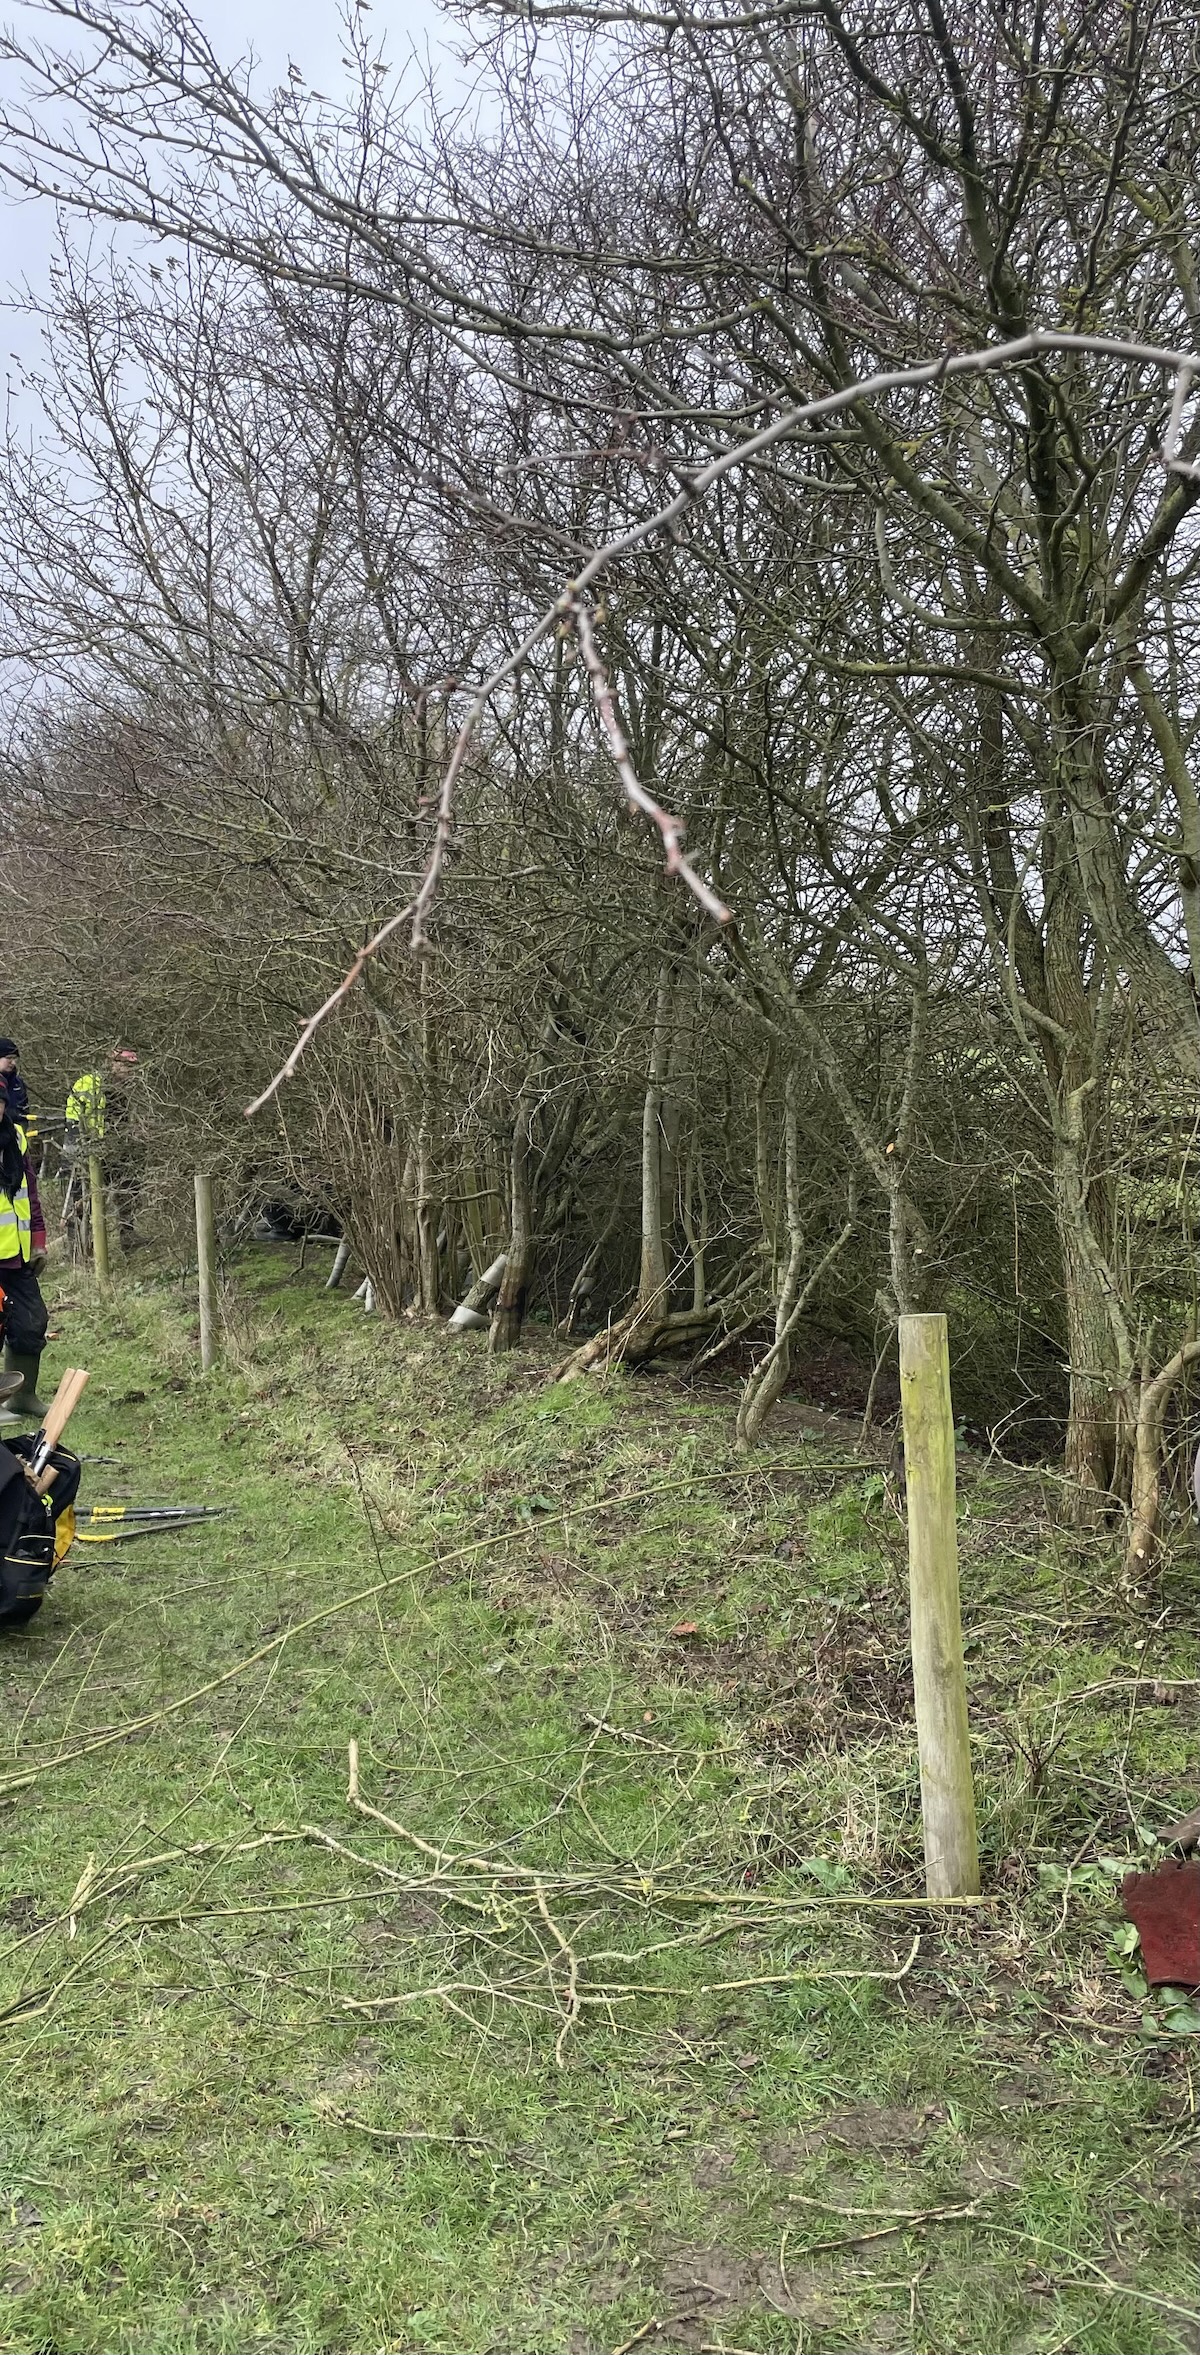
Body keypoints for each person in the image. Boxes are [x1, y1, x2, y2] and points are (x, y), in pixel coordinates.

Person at [0, 1068, 49, 1422]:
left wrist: (39, 1241)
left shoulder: (15, 1137)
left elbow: (28, 1193)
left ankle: (22, 1396)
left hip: (16, 1253)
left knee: (32, 1320)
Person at [65, 1047, 145, 1251]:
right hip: (89, 1150)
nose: (129, 1071)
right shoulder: (89, 1084)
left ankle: (128, 1236)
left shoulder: (129, 1089)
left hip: (115, 1149)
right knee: (83, 1200)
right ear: (112, 1063)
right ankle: (78, 1247)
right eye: (125, 1065)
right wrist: (80, 1148)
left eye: (132, 1067)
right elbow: (74, 1118)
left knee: (127, 1189)